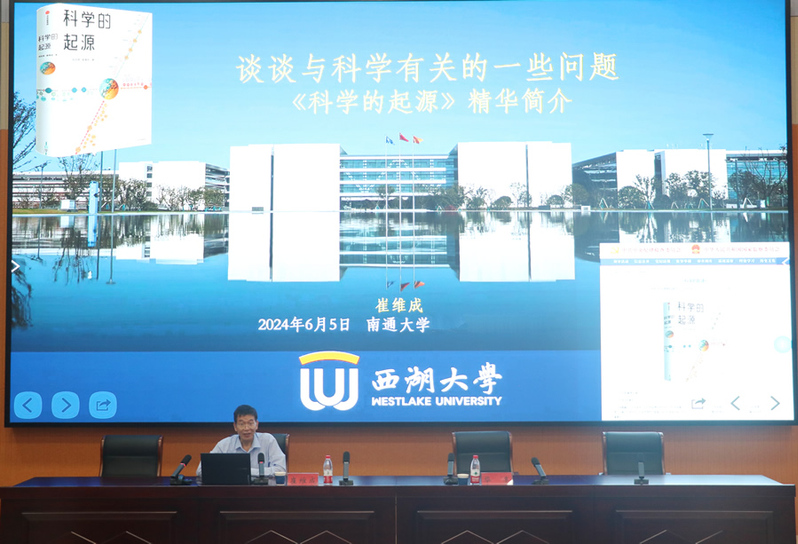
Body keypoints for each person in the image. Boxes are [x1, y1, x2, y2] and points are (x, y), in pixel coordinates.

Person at [196, 404, 286, 480]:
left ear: (256, 425)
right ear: (235, 426)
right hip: (232, 491)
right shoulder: (224, 445)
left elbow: (281, 469)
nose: (246, 428)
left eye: (250, 423)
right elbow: (201, 470)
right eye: (242, 424)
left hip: (263, 491)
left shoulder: (268, 440)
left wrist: (246, 471)